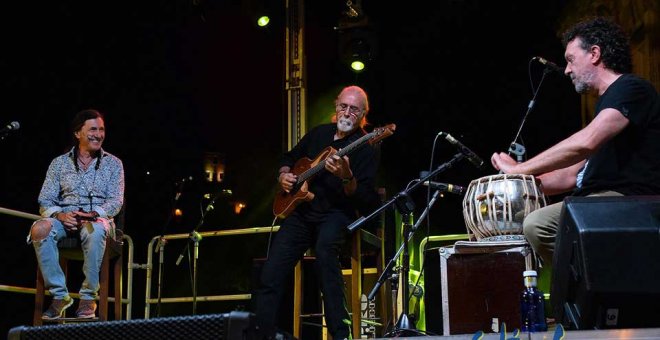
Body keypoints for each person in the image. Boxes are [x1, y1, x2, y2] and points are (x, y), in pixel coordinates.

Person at [491, 16, 659, 266]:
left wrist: (519, 168)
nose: (567, 69)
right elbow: (571, 175)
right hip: (597, 202)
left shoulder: (632, 89)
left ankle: (589, 290)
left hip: (628, 201)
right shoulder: (606, 105)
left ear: (594, 53)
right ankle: (589, 290)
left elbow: (585, 142)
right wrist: (518, 185)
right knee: (519, 219)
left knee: (538, 224)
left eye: (571, 59)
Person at [253, 85, 380, 339]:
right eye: (343, 106)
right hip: (302, 213)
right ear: (336, 106)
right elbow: (288, 157)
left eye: (354, 109)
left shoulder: (366, 146)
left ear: (363, 113)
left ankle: (341, 335)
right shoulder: (319, 134)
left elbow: (366, 200)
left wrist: (346, 177)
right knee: (271, 271)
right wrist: (284, 176)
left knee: (325, 256)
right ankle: (261, 333)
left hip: (336, 214)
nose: (347, 112)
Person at [28, 109, 125, 320]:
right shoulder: (59, 163)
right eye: (93, 129)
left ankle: (88, 298)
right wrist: (61, 216)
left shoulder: (113, 164)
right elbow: (45, 200)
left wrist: (91, 214)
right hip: (66, 219)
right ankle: (60, 296)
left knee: (94, 230)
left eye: (101, 130)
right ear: (77, 133)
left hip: (96, 219)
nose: (98, 134)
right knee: (39, 229)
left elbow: (116, 201)